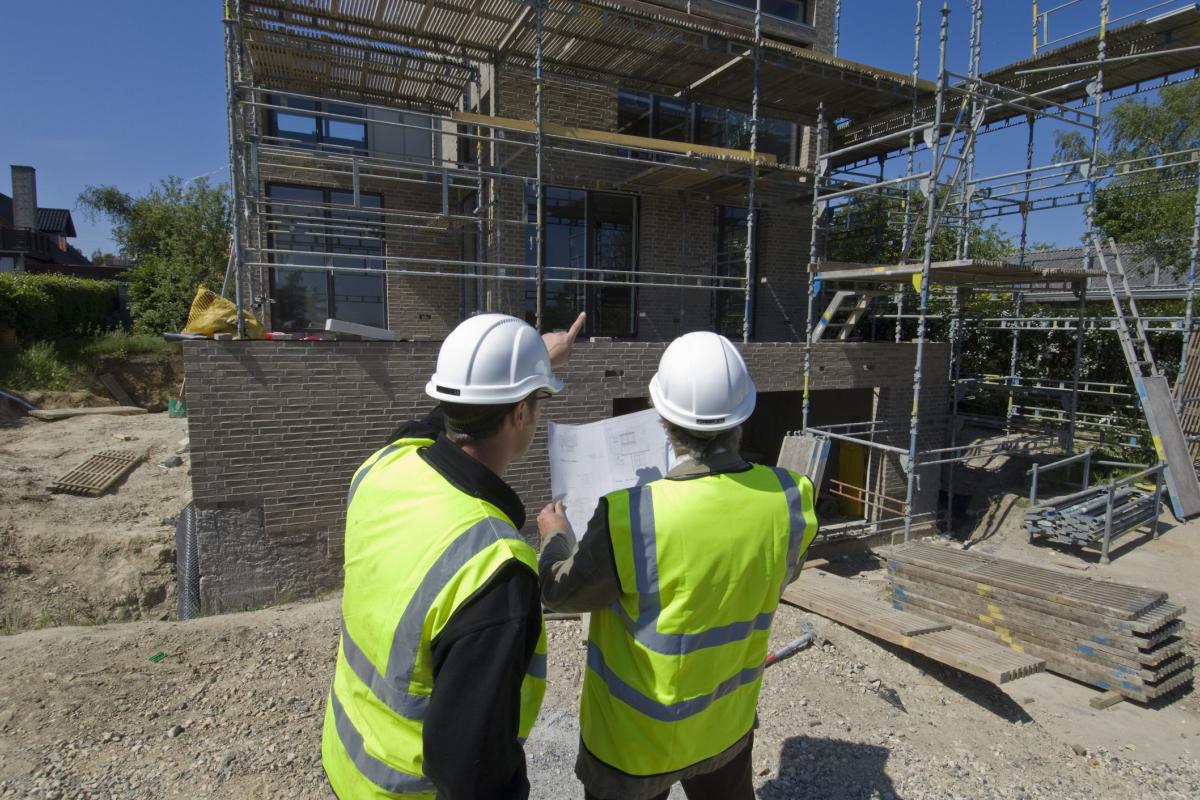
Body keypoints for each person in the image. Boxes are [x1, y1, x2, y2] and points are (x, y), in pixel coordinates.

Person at [537, 331, 818, 800]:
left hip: (634, 743)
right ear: (742, 417)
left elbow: (559, 592)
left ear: (664, 421)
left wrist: (555, 536)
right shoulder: (791, 498)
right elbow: (775, 570)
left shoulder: (630, 515)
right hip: (723, 725)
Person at [322, 312, 585, 800]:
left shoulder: (385, 465)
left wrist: (530, 365)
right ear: (520, 414)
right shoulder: (495, 566)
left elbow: (430, 424)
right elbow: (472, 771)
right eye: (537, 402)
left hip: (346, 762)